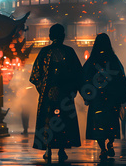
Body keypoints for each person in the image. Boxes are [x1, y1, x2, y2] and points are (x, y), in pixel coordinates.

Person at [29, 24, 82, 162]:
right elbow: (78, 74)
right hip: (65, 94)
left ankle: (47, 148)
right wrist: (73, 89)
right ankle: (62, 149)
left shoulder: (44, 52)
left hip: (48, 95)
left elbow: (35, 75)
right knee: (63, 120)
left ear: (50, 36)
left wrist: (43, 88)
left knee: (48, 120)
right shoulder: (69, 52)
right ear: (63, 36)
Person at [82, 33, 126, 160]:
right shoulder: (113, 59)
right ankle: (110, 143)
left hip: (97, 99)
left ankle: (102, 148)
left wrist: (87, 96)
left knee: (98, 124)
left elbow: (84, 78)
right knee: (111, 122)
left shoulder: (92, 61)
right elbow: (121, 77)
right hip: (112, 99)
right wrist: (122, 96)